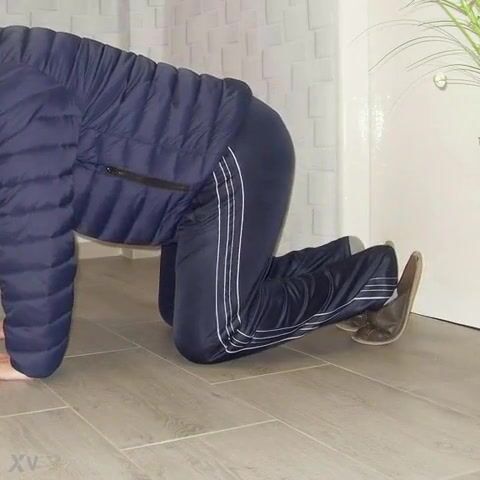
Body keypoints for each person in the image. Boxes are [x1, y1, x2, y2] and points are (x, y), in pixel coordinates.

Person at [0, 26, 422, 381]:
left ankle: (373, 278)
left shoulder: (14, 88)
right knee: (178, 310)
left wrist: (30, 356)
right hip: (189, 185)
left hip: (231, 156)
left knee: (214, 335)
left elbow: (32, 229)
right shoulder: (12, 67)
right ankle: (336, 259)